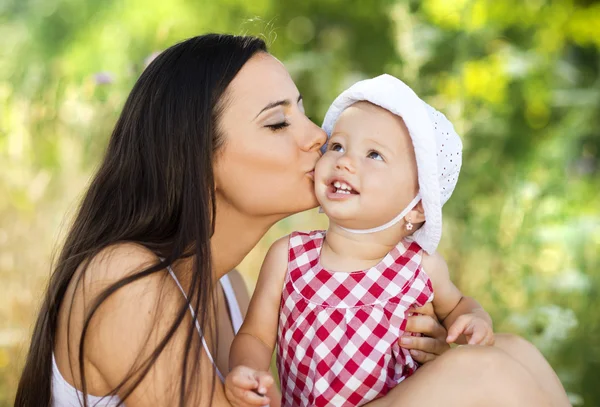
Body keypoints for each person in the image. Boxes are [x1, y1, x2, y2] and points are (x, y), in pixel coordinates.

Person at [15, 34, 569, 407]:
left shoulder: (229, 288)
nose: (317, 137)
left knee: (512, 352)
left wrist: (410, 367)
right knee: (485, 377)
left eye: (303, 110)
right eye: (279, 124)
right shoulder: (126, 280)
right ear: (194, 155)